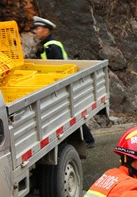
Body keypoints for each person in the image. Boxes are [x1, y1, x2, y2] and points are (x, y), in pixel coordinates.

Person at [32, 16, 95, 148]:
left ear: (46, 30)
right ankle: (87, 139)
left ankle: (88, 140)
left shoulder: (51, 47)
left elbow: (59, 68)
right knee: (70, 114)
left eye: (38, 28)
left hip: (61, 85)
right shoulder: (45, 45)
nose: (35, 31)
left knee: (70, 115)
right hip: (60, 85)